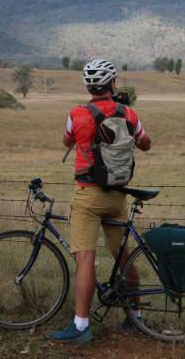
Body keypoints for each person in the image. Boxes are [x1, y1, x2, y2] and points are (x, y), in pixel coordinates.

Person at [49, 59, 152, 344]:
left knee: (85, 257)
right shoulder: (129, 113)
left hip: (89, 195)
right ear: (113, 84)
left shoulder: (77, 114)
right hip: (118, 195)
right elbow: (146, 143)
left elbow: (66, 141)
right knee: (123, 254)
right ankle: (136, 318)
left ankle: (81, 326)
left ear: (88, 86)